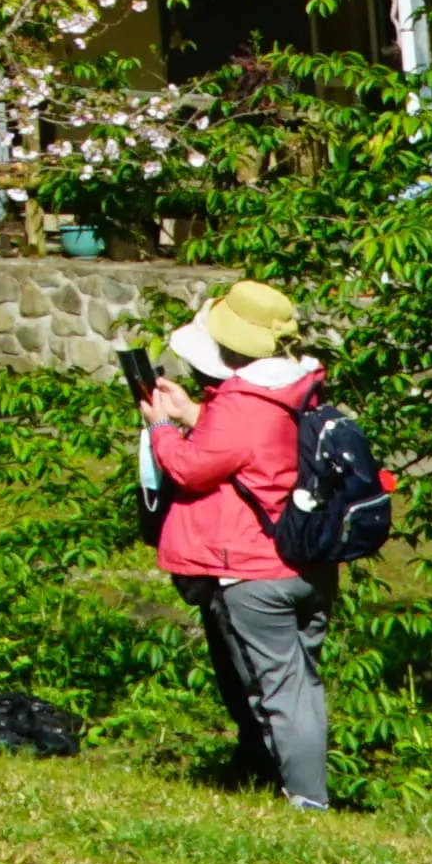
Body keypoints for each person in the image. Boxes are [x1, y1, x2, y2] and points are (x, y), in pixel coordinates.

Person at [144, 278, 339, 810]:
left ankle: (306, 802)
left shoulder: (241, 404)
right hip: (308, 563)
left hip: (254, 568)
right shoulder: (298, 387)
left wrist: (162, 426)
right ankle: (287, 788)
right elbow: (255, 451)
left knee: (279, 688)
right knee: (301, 683)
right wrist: (193, 415)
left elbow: (189, 466)